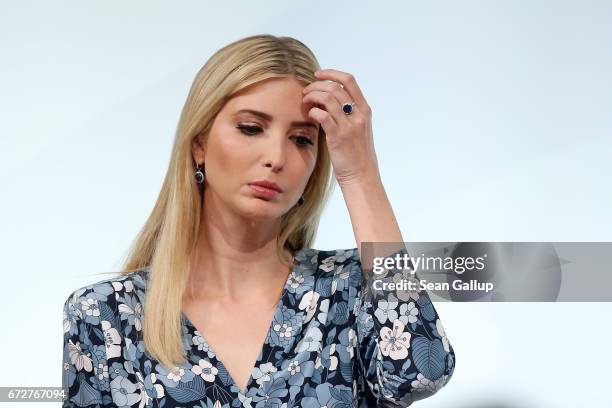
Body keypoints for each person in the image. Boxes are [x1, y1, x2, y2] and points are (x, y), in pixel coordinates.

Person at [61, 34, 456, 408]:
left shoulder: (351, 287)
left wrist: (359, 174)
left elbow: (420, 373)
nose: (276, 158)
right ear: (199, 144)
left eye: (302, 139)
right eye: (251, 128)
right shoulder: (107, 315)